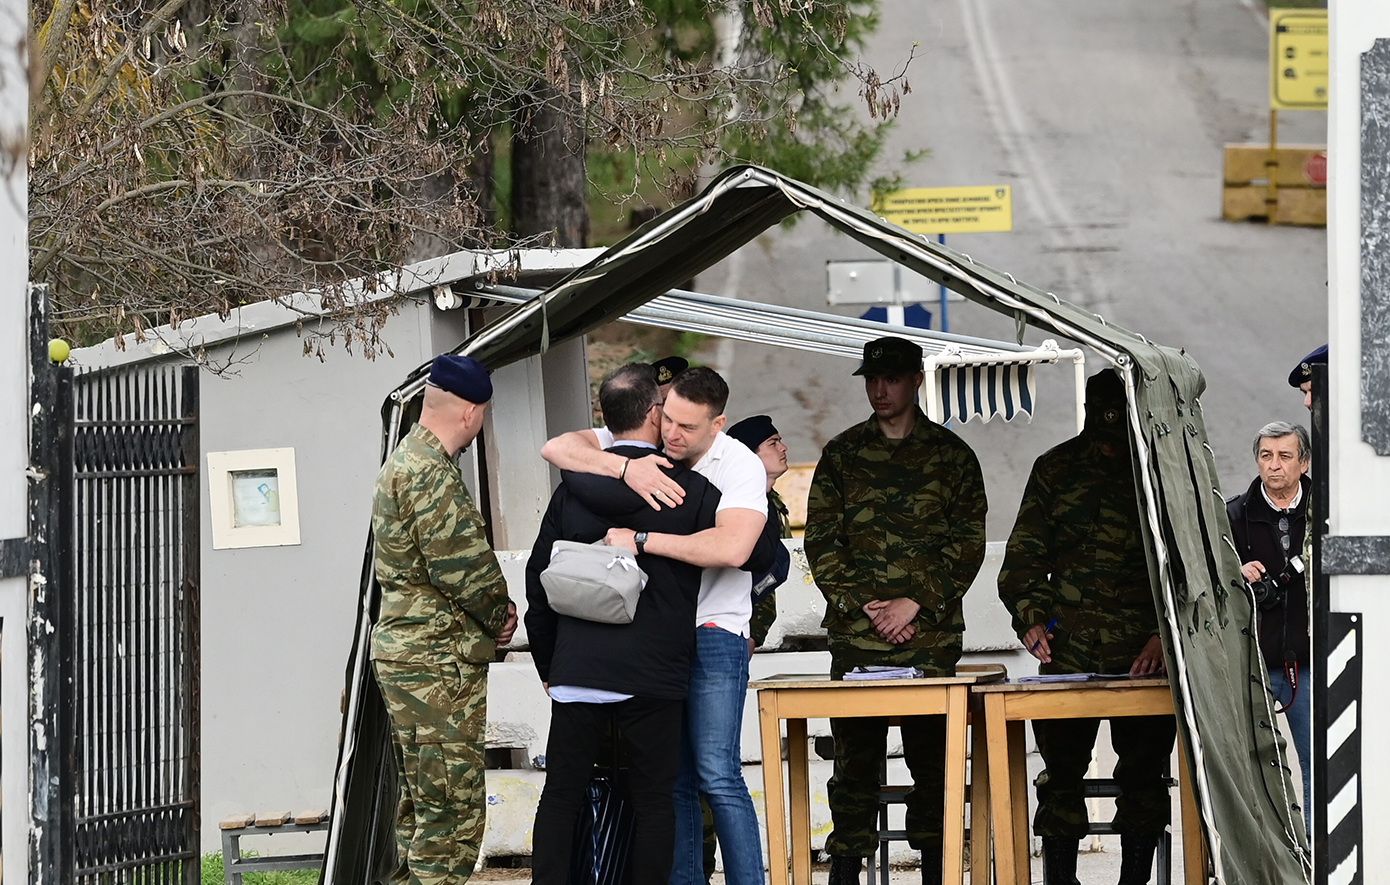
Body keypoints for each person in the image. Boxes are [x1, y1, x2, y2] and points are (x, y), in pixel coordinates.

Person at [546, 367, 772, 885]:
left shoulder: (737, 465)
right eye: (667, 418)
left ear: (718, 427)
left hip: (715, 628)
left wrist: (641, 538)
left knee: (717, 774)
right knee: (671, 784)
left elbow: (734, 548)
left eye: (687, 428)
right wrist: (626, 471)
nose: (672, 435)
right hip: (661, 636)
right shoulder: (644, 446)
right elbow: (557, 448)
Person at [803, 336, 987, 885]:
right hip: (858, 640)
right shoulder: (841, 453)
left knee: (933, 766)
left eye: (891, 380)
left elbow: (967, 542)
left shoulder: (951, 456)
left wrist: (915, 603)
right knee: (854, 766)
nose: (879, 390)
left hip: (928, 642)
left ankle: (935, 869)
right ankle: (844, 870)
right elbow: (822, 541)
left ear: (916, 381)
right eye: (871, 380)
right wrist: (867, 607)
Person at [996, 368, 1172, 885]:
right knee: (1058, 777)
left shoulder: (1160, 472)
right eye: (1103, 437)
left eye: (1119, 439)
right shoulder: (1056, 469)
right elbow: (1023, 558)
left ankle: (1135, 879)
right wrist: (1030, 620)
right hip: (1068, 651)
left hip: (1143, 653)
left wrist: (1163, 636)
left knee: (1143, 776)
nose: (1112, 450)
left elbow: (1190, 567)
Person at [370, 354, 519, 885]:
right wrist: (500, 611)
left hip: (412, 657)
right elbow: (462, 566)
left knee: (423, 805)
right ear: (471, 414)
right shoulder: (430, 473)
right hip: (435, 664)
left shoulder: (406, 460)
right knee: (451, 815)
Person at [1228, 423, 1313, 836]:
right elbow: (1206, 581)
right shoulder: (1233, 515)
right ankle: (1273, 853)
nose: (1274, 466)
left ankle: (1320, 852)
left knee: (1322, 763)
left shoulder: (1327, 511)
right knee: (1252, 766)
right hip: (1252, 667)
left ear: (1304, 462)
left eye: (1284, 456)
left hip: (1312, 666)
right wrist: (1234, 572)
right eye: (1266, 456)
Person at [726, 414, 792, 648]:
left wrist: (755, 633)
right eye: (773, 443)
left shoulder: (771, 503)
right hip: (726, 626)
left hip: (746, 630)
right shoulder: (732, 505)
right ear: (748, 455)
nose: (783, 448)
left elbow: (767, 579)